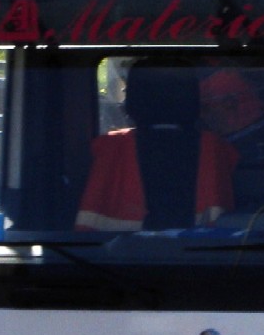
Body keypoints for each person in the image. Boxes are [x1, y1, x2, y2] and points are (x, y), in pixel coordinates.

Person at [76, 58, 239, 231]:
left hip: (108, 255)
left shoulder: (107, 148)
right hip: (208, 254)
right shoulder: (215, 148)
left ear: (132, 100)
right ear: (193, 98)